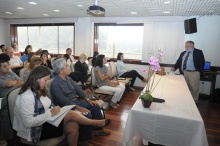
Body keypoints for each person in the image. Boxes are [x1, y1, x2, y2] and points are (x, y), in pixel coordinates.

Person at [13, 66, 110, 146]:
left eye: (48, 80)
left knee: (73, 126)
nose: (47, 83)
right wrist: (50, 113)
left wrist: (55, 109)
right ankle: (93, 123)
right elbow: (28, 123)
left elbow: (48, 104)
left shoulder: (38, 90)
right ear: (36, 78)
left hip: (44, 122)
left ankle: (91, 125)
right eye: (45, 80)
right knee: (71, 114)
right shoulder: (27, 96)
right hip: (32, 131)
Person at [50, 58, 111, 143]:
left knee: (95, 106)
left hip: (77, 101)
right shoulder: (55, 84)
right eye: (66, 66)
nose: (69, 67)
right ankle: (84, 140)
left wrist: (88, 99)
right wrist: (78, 108)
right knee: (87, 114)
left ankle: (98, 129)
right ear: (61, 71)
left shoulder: (68, 78)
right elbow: (63, 101)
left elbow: (78, 89)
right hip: (68, 106)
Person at [0, 53, 24, 144]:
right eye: (5, 66)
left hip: (18, 95)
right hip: (4, 100)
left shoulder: (10, 72)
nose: (8, 67)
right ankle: (5, 137)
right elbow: (9, 84)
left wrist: (14, 82)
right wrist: (15, 82)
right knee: (7, 110)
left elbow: (21, 81)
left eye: (7, 65)